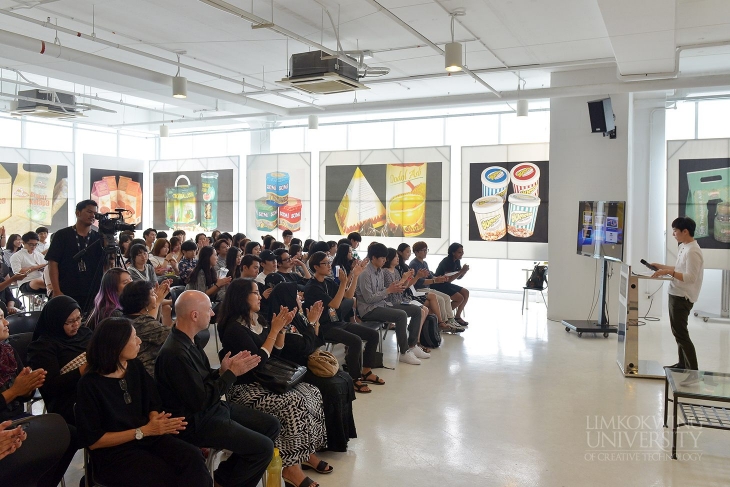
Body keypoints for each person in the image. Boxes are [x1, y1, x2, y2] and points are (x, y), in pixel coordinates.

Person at [155, 290, 280, 487]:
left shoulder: (189, 340)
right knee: (263, 448)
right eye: (208, 310)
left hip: (211, 409)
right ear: (194, 315)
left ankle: (224, 479)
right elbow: (199, 401)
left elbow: (201, 381)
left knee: (271, 425)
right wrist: (230, 375)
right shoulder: (175, 353)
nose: (213, 314)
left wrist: (222, 371)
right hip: (194, 422)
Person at [217, 279, 330, 487]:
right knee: (292, 404)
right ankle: (290, 468)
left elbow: (275, 352)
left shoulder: (256, 319)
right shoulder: (234, 328)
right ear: (242, 297)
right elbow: (258, 362)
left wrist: (282, 329)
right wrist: (273, 331)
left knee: (313, 392)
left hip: (264, 381)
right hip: (246, 388)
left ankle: (305, 452)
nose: (260, 296)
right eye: (255, 293)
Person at [76, 317, 212, 487]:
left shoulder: (134, 366)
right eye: (133, 338)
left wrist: (154, 419)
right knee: (166, 475)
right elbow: (94, 441)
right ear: (116, 345)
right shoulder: (89, 385)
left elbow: (153, 401)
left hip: (148, 438)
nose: (139, 341)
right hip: (115, 453)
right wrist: (142, 431)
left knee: (193, 457)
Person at [268, 282, 357, 452]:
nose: (300, 298)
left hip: (305, 360)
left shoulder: (298, 316)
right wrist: (311, 324)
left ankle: (342, 435)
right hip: (293, 367)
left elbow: (315, 342)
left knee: (344, 377)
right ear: (287, 298)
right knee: (331, 386)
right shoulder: (281, 320)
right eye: (296, 295)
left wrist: (313, 323)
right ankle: (327, 440)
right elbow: (303, 348)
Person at [304, 251, 381, 393]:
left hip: (336, 322)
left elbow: (348, 295)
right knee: (355, 341)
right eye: (325, 263)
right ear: (315, 266)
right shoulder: (312, 287)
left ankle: (366, 371)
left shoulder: (327, 282)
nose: (329, 266)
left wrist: (355, 275)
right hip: (322, 327)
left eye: (329, 262)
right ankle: (354, 378)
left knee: (372, 335)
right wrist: (343, 283)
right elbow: (335, 304)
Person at [356, 243, 427, 365]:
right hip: (369, 309)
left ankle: (412, 345)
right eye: (382, 258)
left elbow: (383, 291)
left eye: (385, 258)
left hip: (382, 304)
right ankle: (404, 353)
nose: (384, 260)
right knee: (401, 315)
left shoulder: (378, 271)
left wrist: (392, 288)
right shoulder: (365, 274)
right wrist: (389, 290)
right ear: (373, 258)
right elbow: (368, 299)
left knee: (416, 310)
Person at [651, 217, 705, 374]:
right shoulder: (684, 246)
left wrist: (669, 272)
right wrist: (661, 267)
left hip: (683, 296)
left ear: (685, 231)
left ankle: (693, 370)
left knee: (681, 334)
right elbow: (679, 267)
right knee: (678, 332)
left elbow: (690, 277)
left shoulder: (693, 251)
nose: (673, 234)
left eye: (675, 231)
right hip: (675, 292)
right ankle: (682, 364)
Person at [46, 200, 105, 312]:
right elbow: (53, 263)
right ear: (78, 213)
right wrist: (57, 290)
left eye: (95, 213)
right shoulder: (62, 235)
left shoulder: (98, 237)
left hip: (93, 291)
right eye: (89, 211)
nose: (92, 215)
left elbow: (106, 264)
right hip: (67, 289)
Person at [407, 242, 464, 333]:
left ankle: (450, 320)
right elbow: (419, 282)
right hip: (418, 289)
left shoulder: (424, 263)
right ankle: (444, 322)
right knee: (440, 299)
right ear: (416, 252)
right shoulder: (414, 264)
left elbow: (430, 276)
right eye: (423, 250)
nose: (425, 252)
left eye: (426, 250)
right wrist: (435, 280)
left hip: (426, 288)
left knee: (446, 297)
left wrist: (438, 278)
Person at [120, 280, 173, 377]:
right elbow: (175, 336)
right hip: (148, 376)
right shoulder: (145, 324)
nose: (156, 296)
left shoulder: (124, 318)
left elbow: (150, 320)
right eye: (153, 294)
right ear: (143, 301)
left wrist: (157, 302)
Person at [383, 248, 431, 353]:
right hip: (391, 302)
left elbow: (403, 288)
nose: (397, 258)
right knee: (419, 311)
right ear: (389, 258)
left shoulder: (395, 270)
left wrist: (409, 278)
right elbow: (393, 289)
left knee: (423, 310)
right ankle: (413, 344)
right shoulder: (385, 272)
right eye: (395, 256)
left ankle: (414, 343)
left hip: (400, 299)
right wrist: (404, 278)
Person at [433, 242, 471, 326]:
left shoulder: (457, 261)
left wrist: (463, 272)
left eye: (462, 251)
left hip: (446, 283)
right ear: (453, 253)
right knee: (459, 298)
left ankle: (457, 316)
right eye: (459, 252)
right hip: (439, 284)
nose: (462, 254)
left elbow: (458, 277)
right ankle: (444, 316)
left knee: (466, 292)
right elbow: (449, 279)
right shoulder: (447, 261)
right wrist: (461, 271)